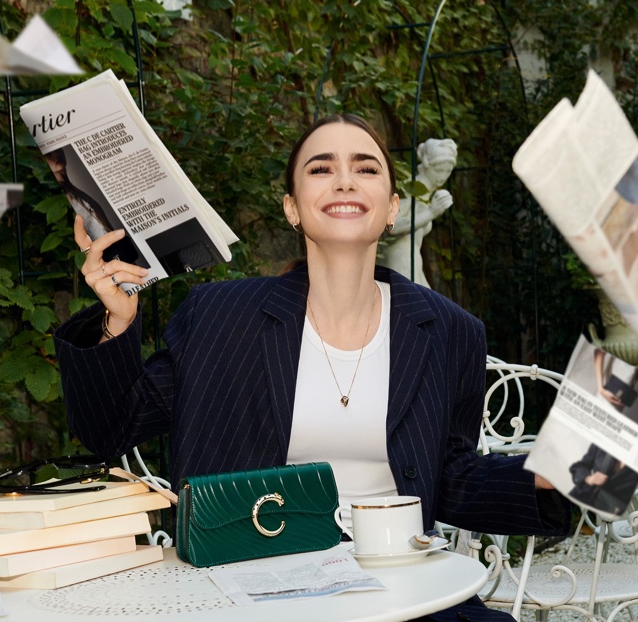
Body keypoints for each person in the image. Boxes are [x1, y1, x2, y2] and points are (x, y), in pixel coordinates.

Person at [54, 114, 569, 621]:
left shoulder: (451, 330)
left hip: (403, 590)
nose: (345, 178)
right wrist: (115, 323)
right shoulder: (220, 319)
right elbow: (109, 429)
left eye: (366, 169)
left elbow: (450, 477)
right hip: (255, 590)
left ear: (392, 208)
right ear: (292, 208)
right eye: (321, 169)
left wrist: (546, 478)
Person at [378, 138, 457, 288]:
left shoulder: (427, 192)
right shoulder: (412, 189)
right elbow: (391, 225)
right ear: (426, 166)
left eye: (448, 171)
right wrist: (431, 212)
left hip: (411, 259)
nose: (443, 176)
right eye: (439, 170)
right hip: (399, 259)